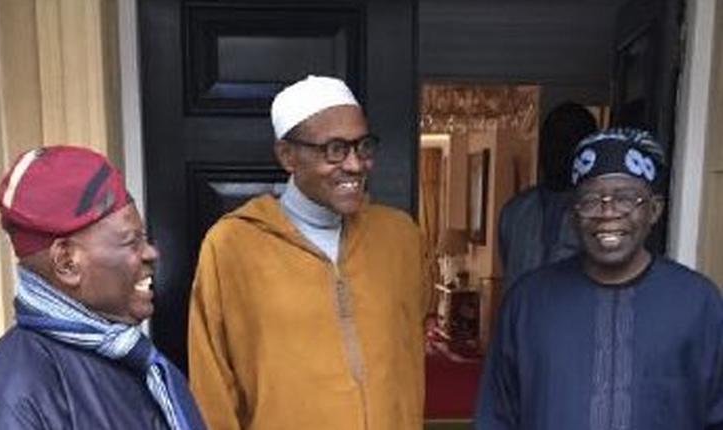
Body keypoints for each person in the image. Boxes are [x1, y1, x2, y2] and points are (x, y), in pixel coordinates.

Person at [187, 75, 431, 429]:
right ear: (287, 156)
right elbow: (211, 389)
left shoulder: (400, 237)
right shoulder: (231, 247)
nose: (354, 164)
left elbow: (409, 354)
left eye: (362, 146)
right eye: (334, 149)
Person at [476, 128, 723, 429]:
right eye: (591, 200)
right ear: (573, 214)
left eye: (626, 199)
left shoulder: (697, 302)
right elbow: (497, 416)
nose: (608, 213)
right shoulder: (528, 302)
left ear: (654, 211)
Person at [0, 146, 206, 430]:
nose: (150, 254)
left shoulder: (128, 358)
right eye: (131, 241)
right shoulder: (10, 403)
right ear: (67, 262)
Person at [498, 102, 598, 288]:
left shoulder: (602, 215)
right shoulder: (514, 212)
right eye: (551, 139)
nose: (556, 149)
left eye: (569, 140)